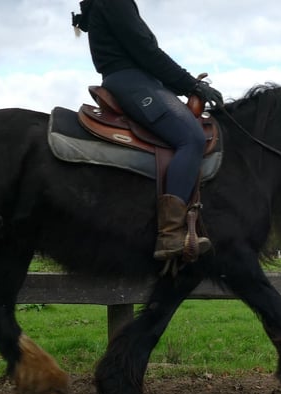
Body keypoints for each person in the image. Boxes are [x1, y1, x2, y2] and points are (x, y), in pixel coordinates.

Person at [72, 0, 223, 263]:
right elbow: (146, 51)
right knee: (191, 138)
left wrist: (184, 85)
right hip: (130, 80)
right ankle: (171, 234)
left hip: (138, 80)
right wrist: (191, 85)